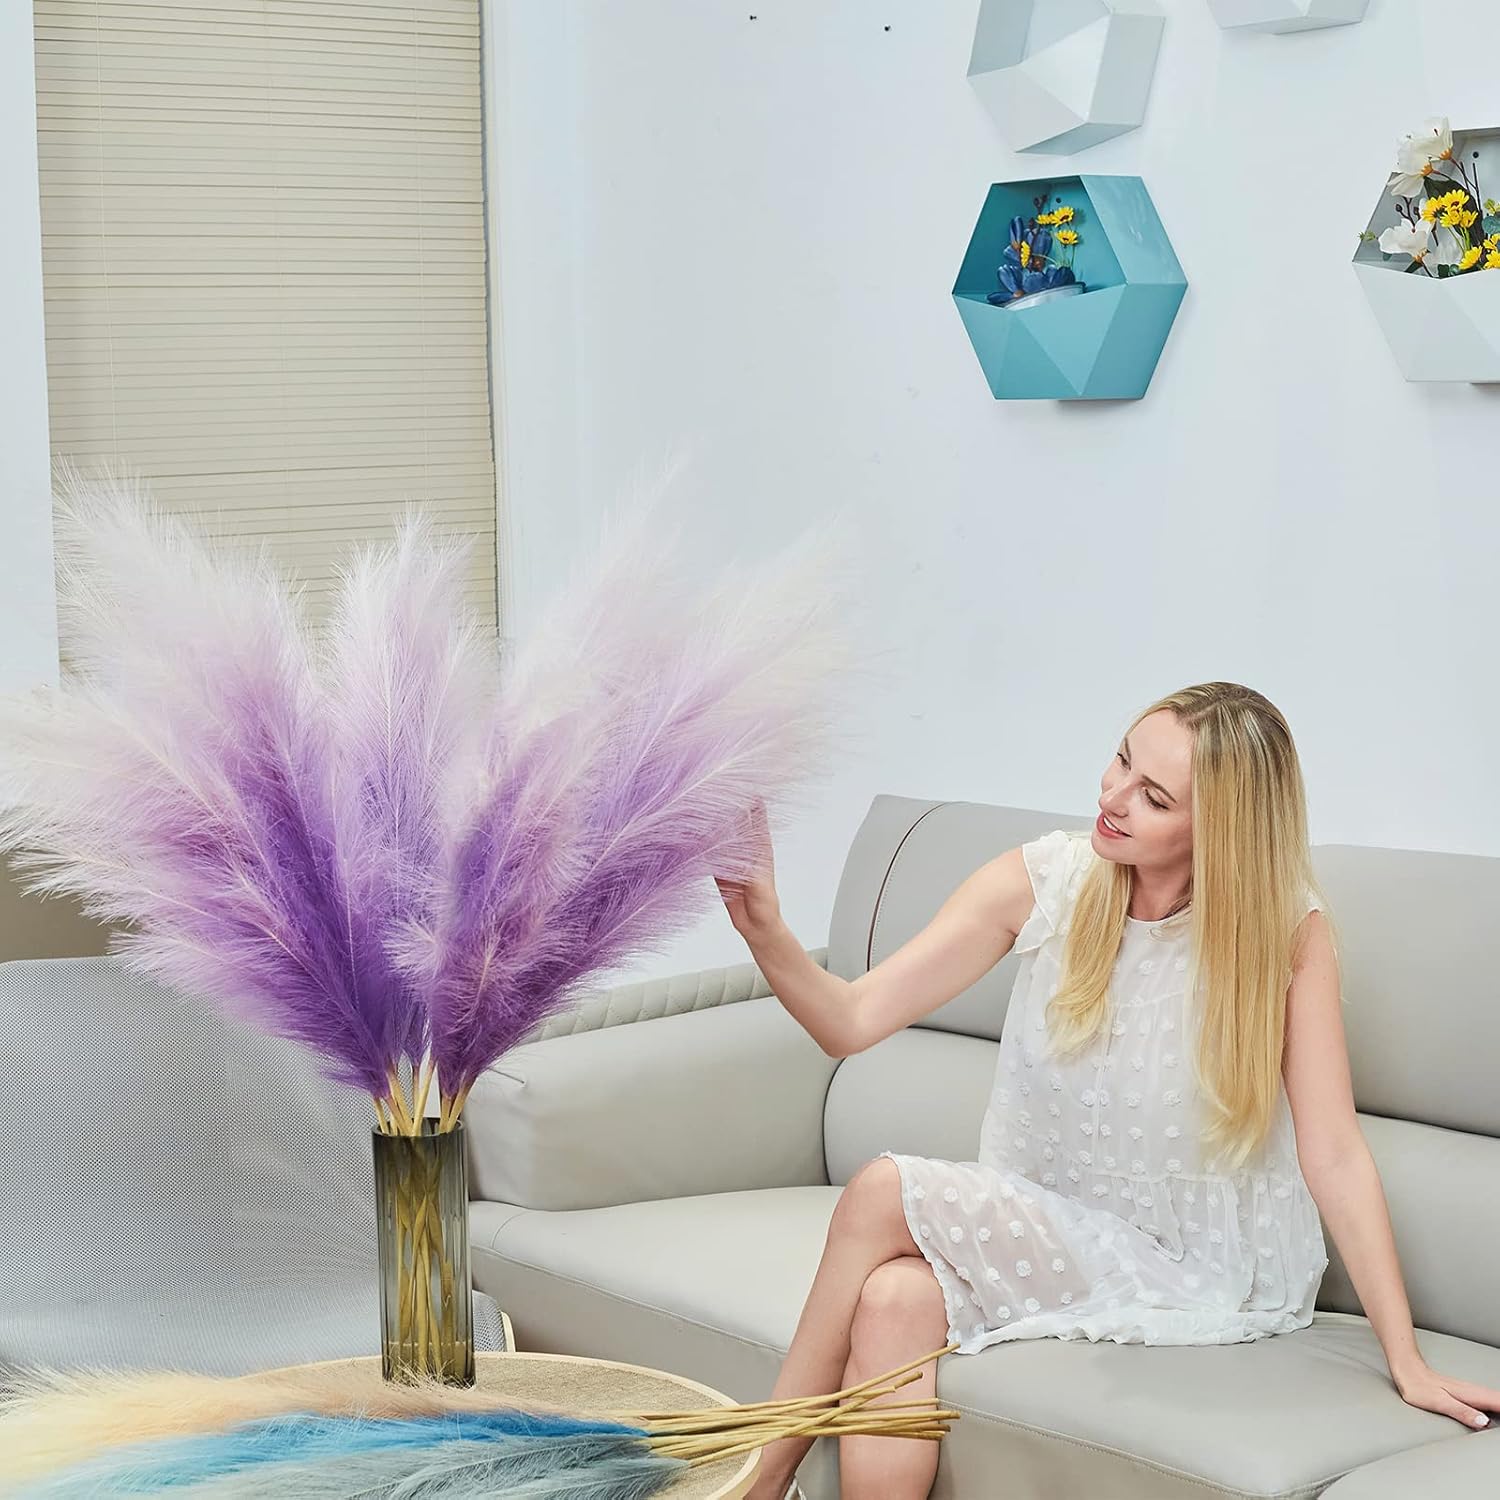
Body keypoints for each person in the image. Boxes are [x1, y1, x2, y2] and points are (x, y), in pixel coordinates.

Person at [716, 682, 1500, 1500]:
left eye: (1154, 797)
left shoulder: (1286, 934)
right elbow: (849, 1021)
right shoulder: (1045, 881)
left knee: (881, 1190)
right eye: (1122, 760)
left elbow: (1333, 1152)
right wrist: (763, 927)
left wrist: (1406, 1360)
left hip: (1201, 1262)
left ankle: (758, 1482)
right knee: (891, 1301)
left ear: (1218, 832)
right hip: (1062, 1229)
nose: (1113, 797)